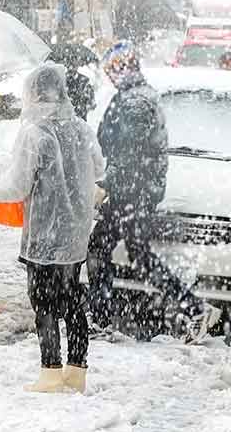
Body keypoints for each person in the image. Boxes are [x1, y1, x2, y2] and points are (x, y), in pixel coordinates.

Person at [0, 63, 103, 394]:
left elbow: (18, 185)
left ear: (35, 94)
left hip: (44, 235)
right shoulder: (81, 129)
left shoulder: (35, 133)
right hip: (75, 233)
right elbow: (99, 168)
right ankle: (77, 372)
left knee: (45, 304)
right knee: (73, 300)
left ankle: (50, 373)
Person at [88, 41, 220, 342]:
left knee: (105, 250)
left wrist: (105, 184)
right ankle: (191, 306)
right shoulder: (134, 96)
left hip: (132, 192)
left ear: (125, 67)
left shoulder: (136, 102)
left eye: (114, 69)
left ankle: (103, 317)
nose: (111, 75)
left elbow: (130, 152)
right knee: (130, 253)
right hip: (134, 190)